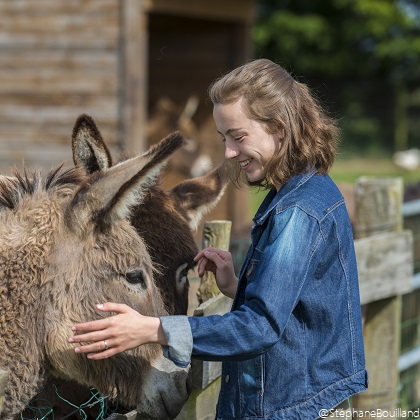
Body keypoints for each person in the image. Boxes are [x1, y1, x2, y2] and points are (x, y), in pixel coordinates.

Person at [69, 58, 368, 419]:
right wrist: (237, 286)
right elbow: (299, 307)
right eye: (224, 138)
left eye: (238, 137)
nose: (228, 153)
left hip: (287, 407)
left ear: (279, 128)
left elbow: (261, 327)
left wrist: (151, 328)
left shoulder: (297, 213)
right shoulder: (310, 189)